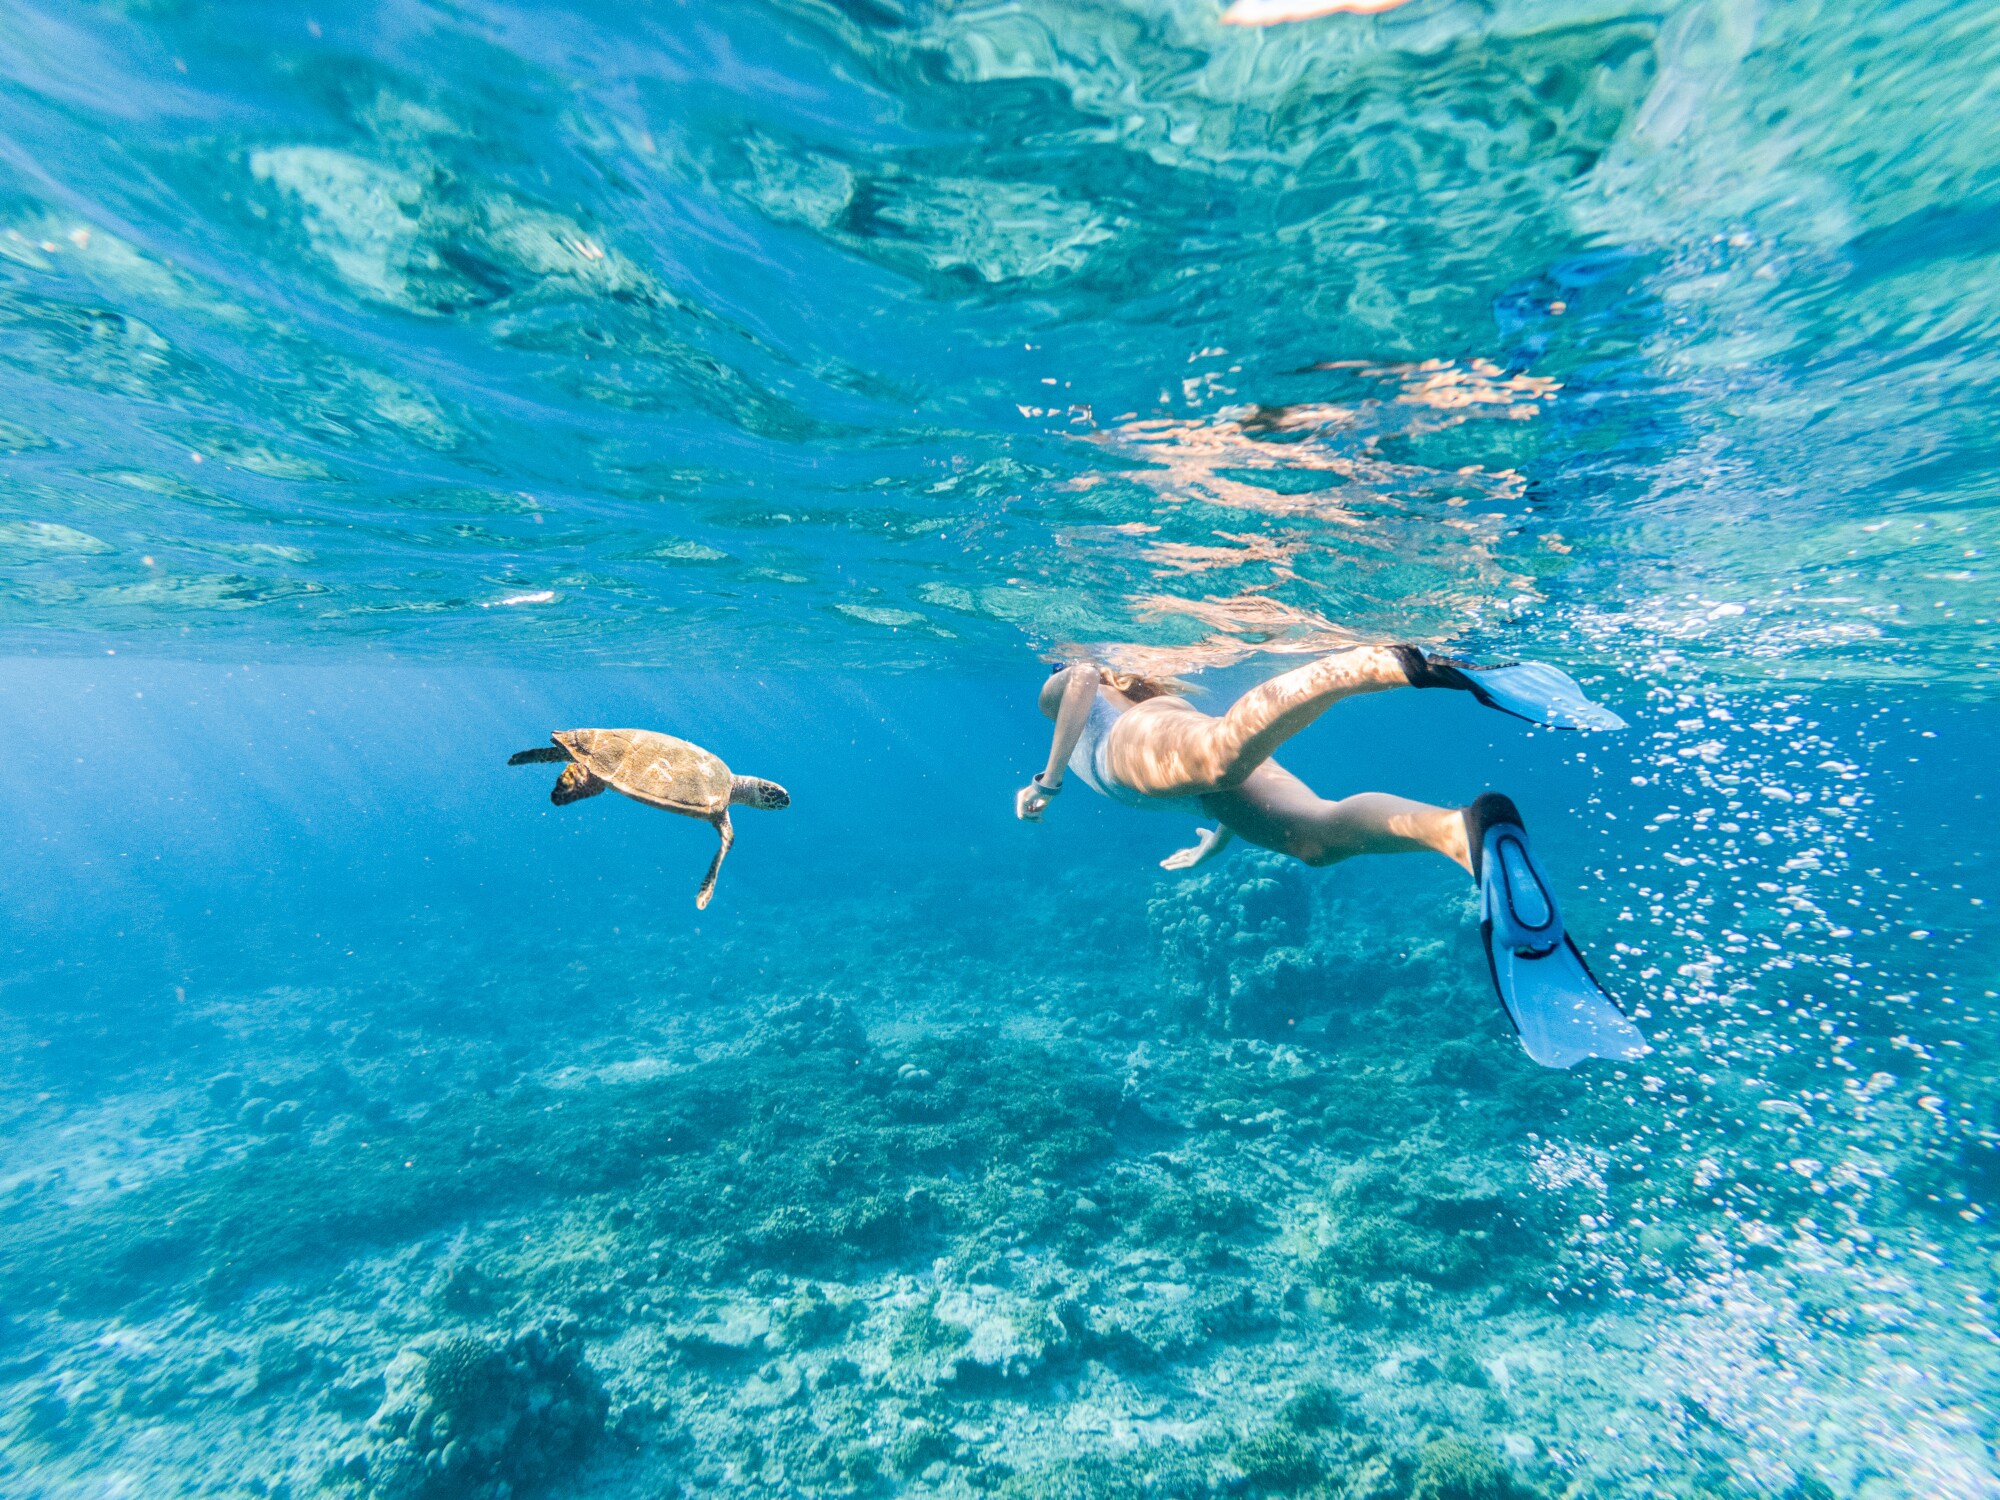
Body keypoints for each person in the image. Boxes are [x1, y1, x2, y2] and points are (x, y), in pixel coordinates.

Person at [1015, 646, 1648, 1068]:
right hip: (1175, 776)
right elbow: (1195, 782)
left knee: (1219, 753)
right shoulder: (1146, 704)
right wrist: (1215, 842)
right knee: (1313, 839)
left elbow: (1080, 676)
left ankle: (1397, 662)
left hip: (1130, 751)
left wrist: (1048, 782)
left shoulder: (1062, 686)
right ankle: (1461, 834)